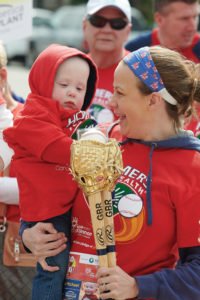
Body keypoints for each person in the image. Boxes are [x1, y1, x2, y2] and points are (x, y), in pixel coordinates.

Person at [19, 45, 200, 300]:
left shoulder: (192, 168)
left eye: (120, 93)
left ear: (153, 100)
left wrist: (139, 286)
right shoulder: (95, 138)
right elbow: (46, 193)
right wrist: (29, 234)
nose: (111, 103)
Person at [3, 43, 98, 300]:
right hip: (48, 213)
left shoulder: (71, 120)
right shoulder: (32, 118)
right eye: (63, 84)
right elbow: (61, 149)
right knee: (53, 269)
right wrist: (97, 153)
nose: (72, 93)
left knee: (64, 269)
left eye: (80, 88)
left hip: (63, 207)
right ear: (44, 82)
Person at [83, 0, 132, 124]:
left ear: (128, 31)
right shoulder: (68, 70)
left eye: (117, 23)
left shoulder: (141, 73)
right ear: (84, 26)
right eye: (98, 21)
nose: (107, 29)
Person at [125, 0, 200, 63]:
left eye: (195, 17)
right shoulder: (134, 51)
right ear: (159, 19)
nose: (192, 27)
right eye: (184, 19)